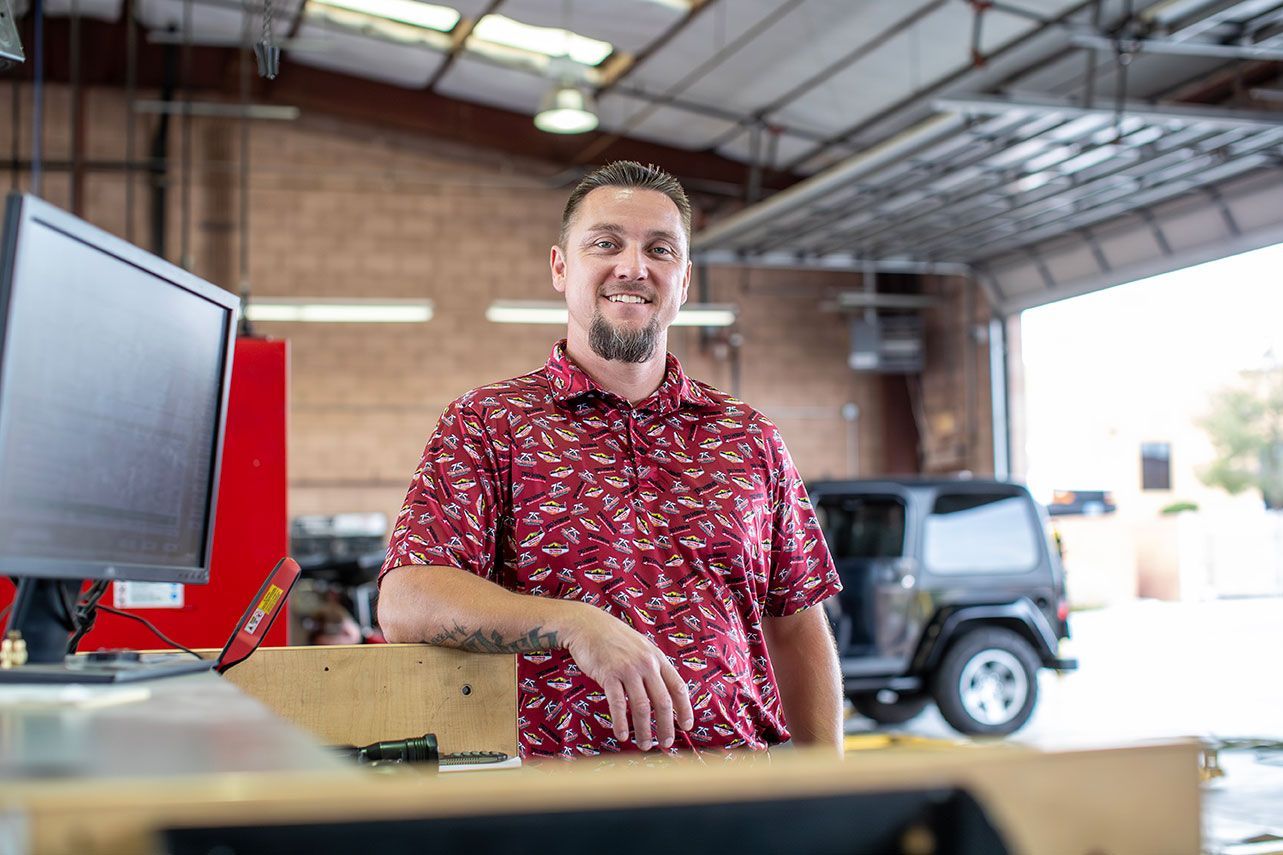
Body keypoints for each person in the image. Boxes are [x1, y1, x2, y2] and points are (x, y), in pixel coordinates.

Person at [379, 161, 843, 759]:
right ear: (560, 267)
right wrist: (574, 623)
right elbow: (407, 600)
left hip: (735, 799)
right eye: (606, 243)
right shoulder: (490, 424)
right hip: (562, 808)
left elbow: (796, 622)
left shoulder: (748, 437)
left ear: (684, 279)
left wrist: (827, 782)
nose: (633, 267)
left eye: (660, 249)